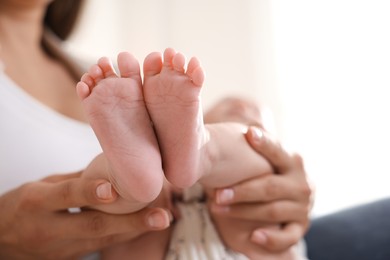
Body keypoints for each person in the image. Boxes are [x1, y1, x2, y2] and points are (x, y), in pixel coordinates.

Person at [0, 0, 312, 259]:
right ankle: (191, 156)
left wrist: (281, 195)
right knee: (121, 193)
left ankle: (192, 155)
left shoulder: (98, 74)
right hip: (147, 238)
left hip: (227, 237)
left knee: (145, 184)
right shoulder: (109, 85)